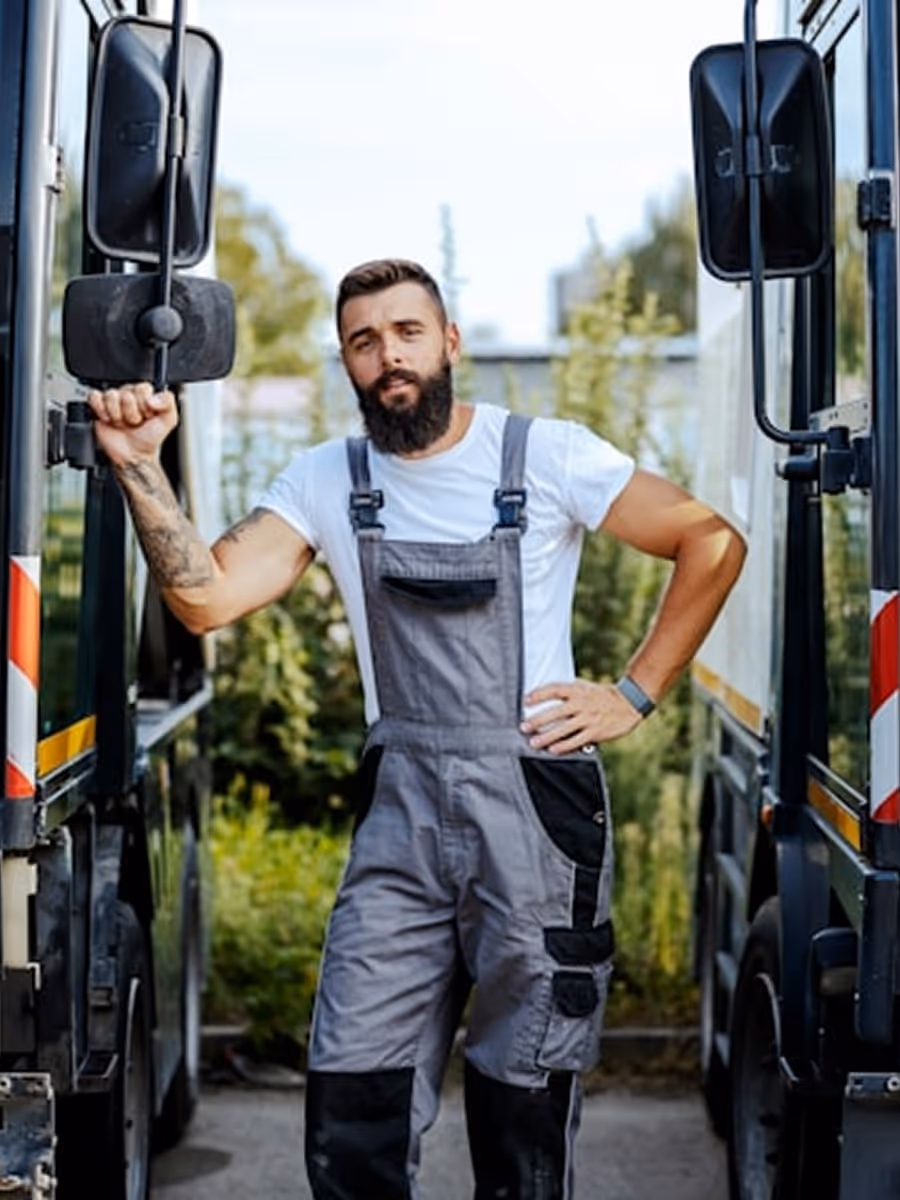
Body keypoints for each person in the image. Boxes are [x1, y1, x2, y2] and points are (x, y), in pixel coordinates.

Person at [88, 258, 745, 1199]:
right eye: (363, 342)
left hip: (537, 811)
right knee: (354, 1084)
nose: (387, 356)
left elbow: (711, 540)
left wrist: (634, 693)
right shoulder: (326, 479)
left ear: (449, 343)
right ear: (347, 364)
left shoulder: (544, 455)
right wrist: (142, 465)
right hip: (402, 816)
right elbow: (205, 601)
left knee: (523, 1101)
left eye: (405, 332)